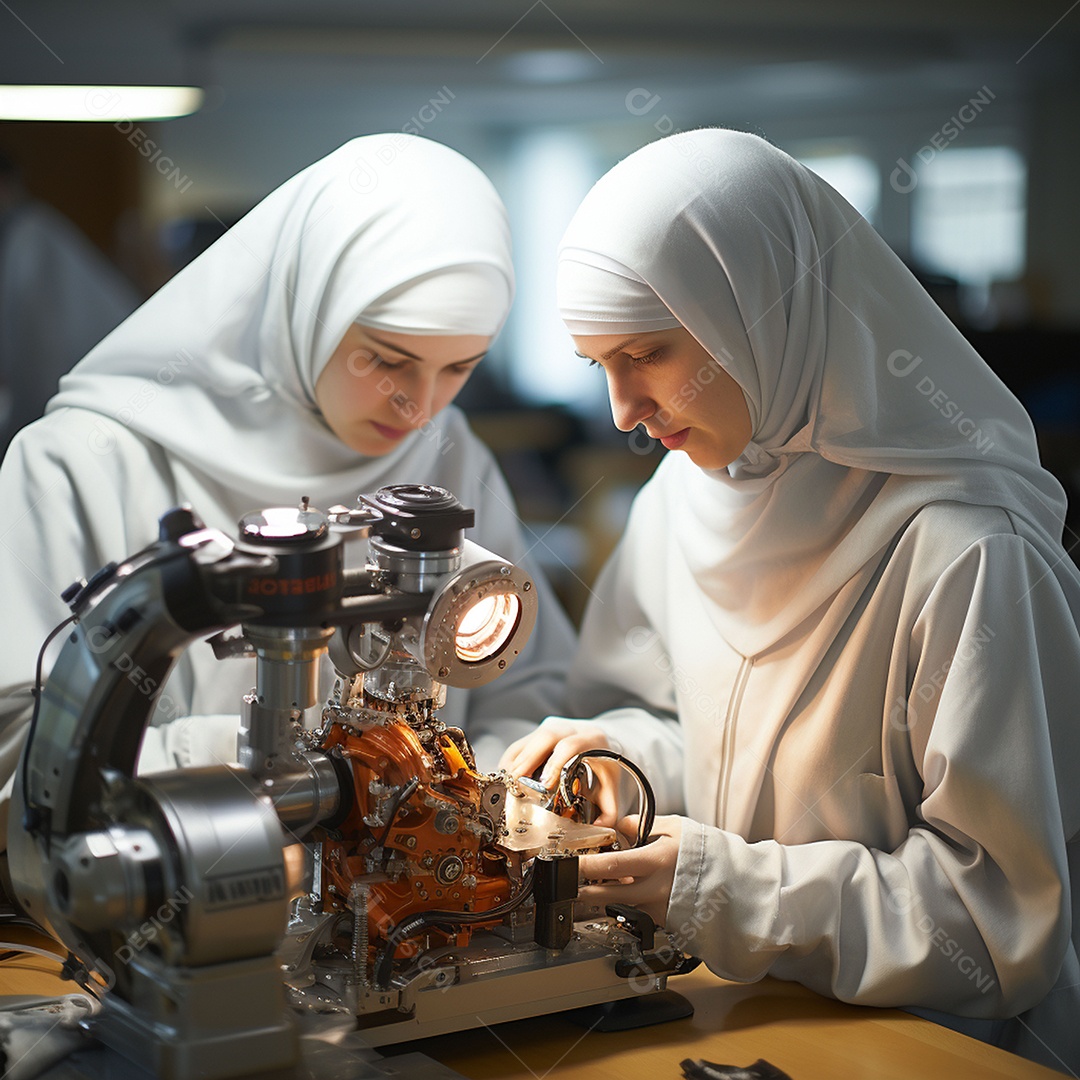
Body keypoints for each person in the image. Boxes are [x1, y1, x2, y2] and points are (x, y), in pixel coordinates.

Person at [500, 128, 1080, 1074]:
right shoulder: (682, 499)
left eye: (645, 353)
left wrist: (721, 890)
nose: (621, 412)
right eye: (595, 363)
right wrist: (622, 761)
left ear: (753, 314)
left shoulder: (969, 554)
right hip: (745, 1025)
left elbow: (996, 926)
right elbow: (694, 731)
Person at [0, 133, 576, 826]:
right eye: (386, 358)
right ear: (310, 307)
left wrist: (460, 795)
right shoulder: (82, 461)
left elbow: (535, 690)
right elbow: (17, 757)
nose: (419, 406)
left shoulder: (448, 456)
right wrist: (263, 762)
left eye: (460, 368)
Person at [0, 149, 140, 458]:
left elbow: (38, 356)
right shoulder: (22, 235)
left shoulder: (30, 238)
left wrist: (17, 438)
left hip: (91, 408)